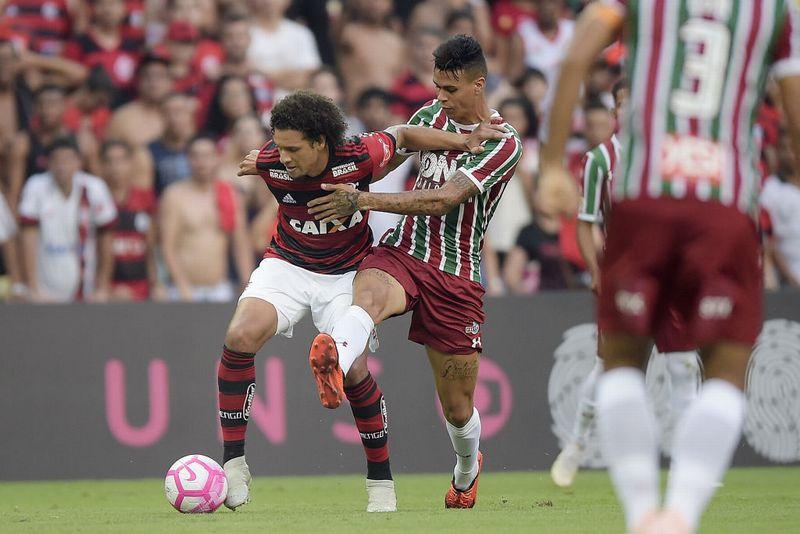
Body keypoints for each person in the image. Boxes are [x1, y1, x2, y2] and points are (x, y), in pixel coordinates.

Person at [540, 1, 800, 532]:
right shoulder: (775, 11)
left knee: (622, 364)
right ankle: (679, 512)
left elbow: (574, 58)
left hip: (645, 199)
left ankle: (642, 513)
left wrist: (549, 165)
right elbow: (795, 118)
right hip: (725, 205)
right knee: (726, 371)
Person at [218, 89, 506, 513]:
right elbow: (265, 157)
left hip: (346, 272)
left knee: (352, 371)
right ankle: (234, 464)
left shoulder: (359, 155)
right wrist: (260, 160)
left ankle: (380, 481)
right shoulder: (271, 160)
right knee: (239, 336)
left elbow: (404, 134)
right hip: (288, 264)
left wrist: (464, 141)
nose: (283, 156)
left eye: (293, 149)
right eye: (278, 147)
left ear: (321, 142)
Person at [304, 35, 523, 509]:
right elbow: (380, 166)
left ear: (478, 84)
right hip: (403, 252)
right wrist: (324, 170)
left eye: (450, 88)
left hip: (455, 275)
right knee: (368, 295)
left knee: (457, 408)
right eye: (437, 86)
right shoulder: (428, 118)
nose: (440, 96)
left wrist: (361, 200)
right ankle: (336, 359)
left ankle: (467, 467)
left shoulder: (504, 142)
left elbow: (444, 199)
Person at [550, 81, 699, 488]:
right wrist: (597, 272)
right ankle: (577, 443)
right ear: (616, 110)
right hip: (627, 278)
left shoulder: (669, 153)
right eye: (623, 102)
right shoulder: (600, 160)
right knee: (610, 366)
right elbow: (586, 222)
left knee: (683, 365)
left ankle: (685, 463)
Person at [18, 137, 117, 302]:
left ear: (79, 162)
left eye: (68, 159)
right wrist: (33, 288)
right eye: (57, 160)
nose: (62, 165)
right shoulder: (36, 187)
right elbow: (28, 238)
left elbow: (106, 238)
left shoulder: (94, 188)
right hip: (45, 290)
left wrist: (102, 286)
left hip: (86, 289)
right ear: (48, 163)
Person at [159, 134, 252, 302]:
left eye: (207, 156)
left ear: (217, 158)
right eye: (195, 156)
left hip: (219, 289)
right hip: (183, 290)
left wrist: (247, 284)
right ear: (187, 159)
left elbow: (240, 243)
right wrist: (182, 286)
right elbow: (167, 246)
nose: (201, 162)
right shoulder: (174, 195)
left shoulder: (230, 194)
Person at [101, 140, 161, 301]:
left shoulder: (145, 198)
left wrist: (156, 284)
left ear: (131, 164)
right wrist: (102, 287)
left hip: (141, 286)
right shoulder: (96, 198)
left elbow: (151, 246)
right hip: (107, 289)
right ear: (102, 166)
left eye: (121, 160)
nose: (115, 167)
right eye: (109, 161)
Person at [107, 54, 172, 188]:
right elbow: (108, 160)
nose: (153, 83)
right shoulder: (123, 118)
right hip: (138, 190)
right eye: (147, 77)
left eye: (160, 77)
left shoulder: (180, 113)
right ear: (138, 81)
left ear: (170, 82)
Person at [247, 0, 321, 90]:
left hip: (297, 96)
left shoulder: (301, 33)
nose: (269, 2)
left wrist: (266, 75)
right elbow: (248, 73)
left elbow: (311, 74)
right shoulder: (245, 33)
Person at [148, 93, 195, 196]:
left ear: (190, 114)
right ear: (161, 117)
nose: (175, 117)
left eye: (180, 111)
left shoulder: (205, 145)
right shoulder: (149, 151)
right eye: (168, 112)